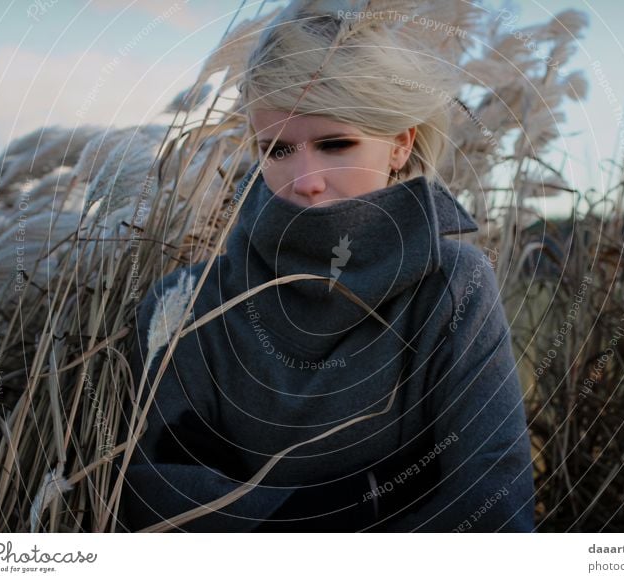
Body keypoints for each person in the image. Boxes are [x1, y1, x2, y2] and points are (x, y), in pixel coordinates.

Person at [116, 0, 534, 532]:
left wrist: (252, 516)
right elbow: (154, 499)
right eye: (278, 149)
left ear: (401, 143)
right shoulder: (187, 303)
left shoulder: (454, 286)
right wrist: (371, 501)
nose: (306, 179)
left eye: (336, 143)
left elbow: (495, 508)